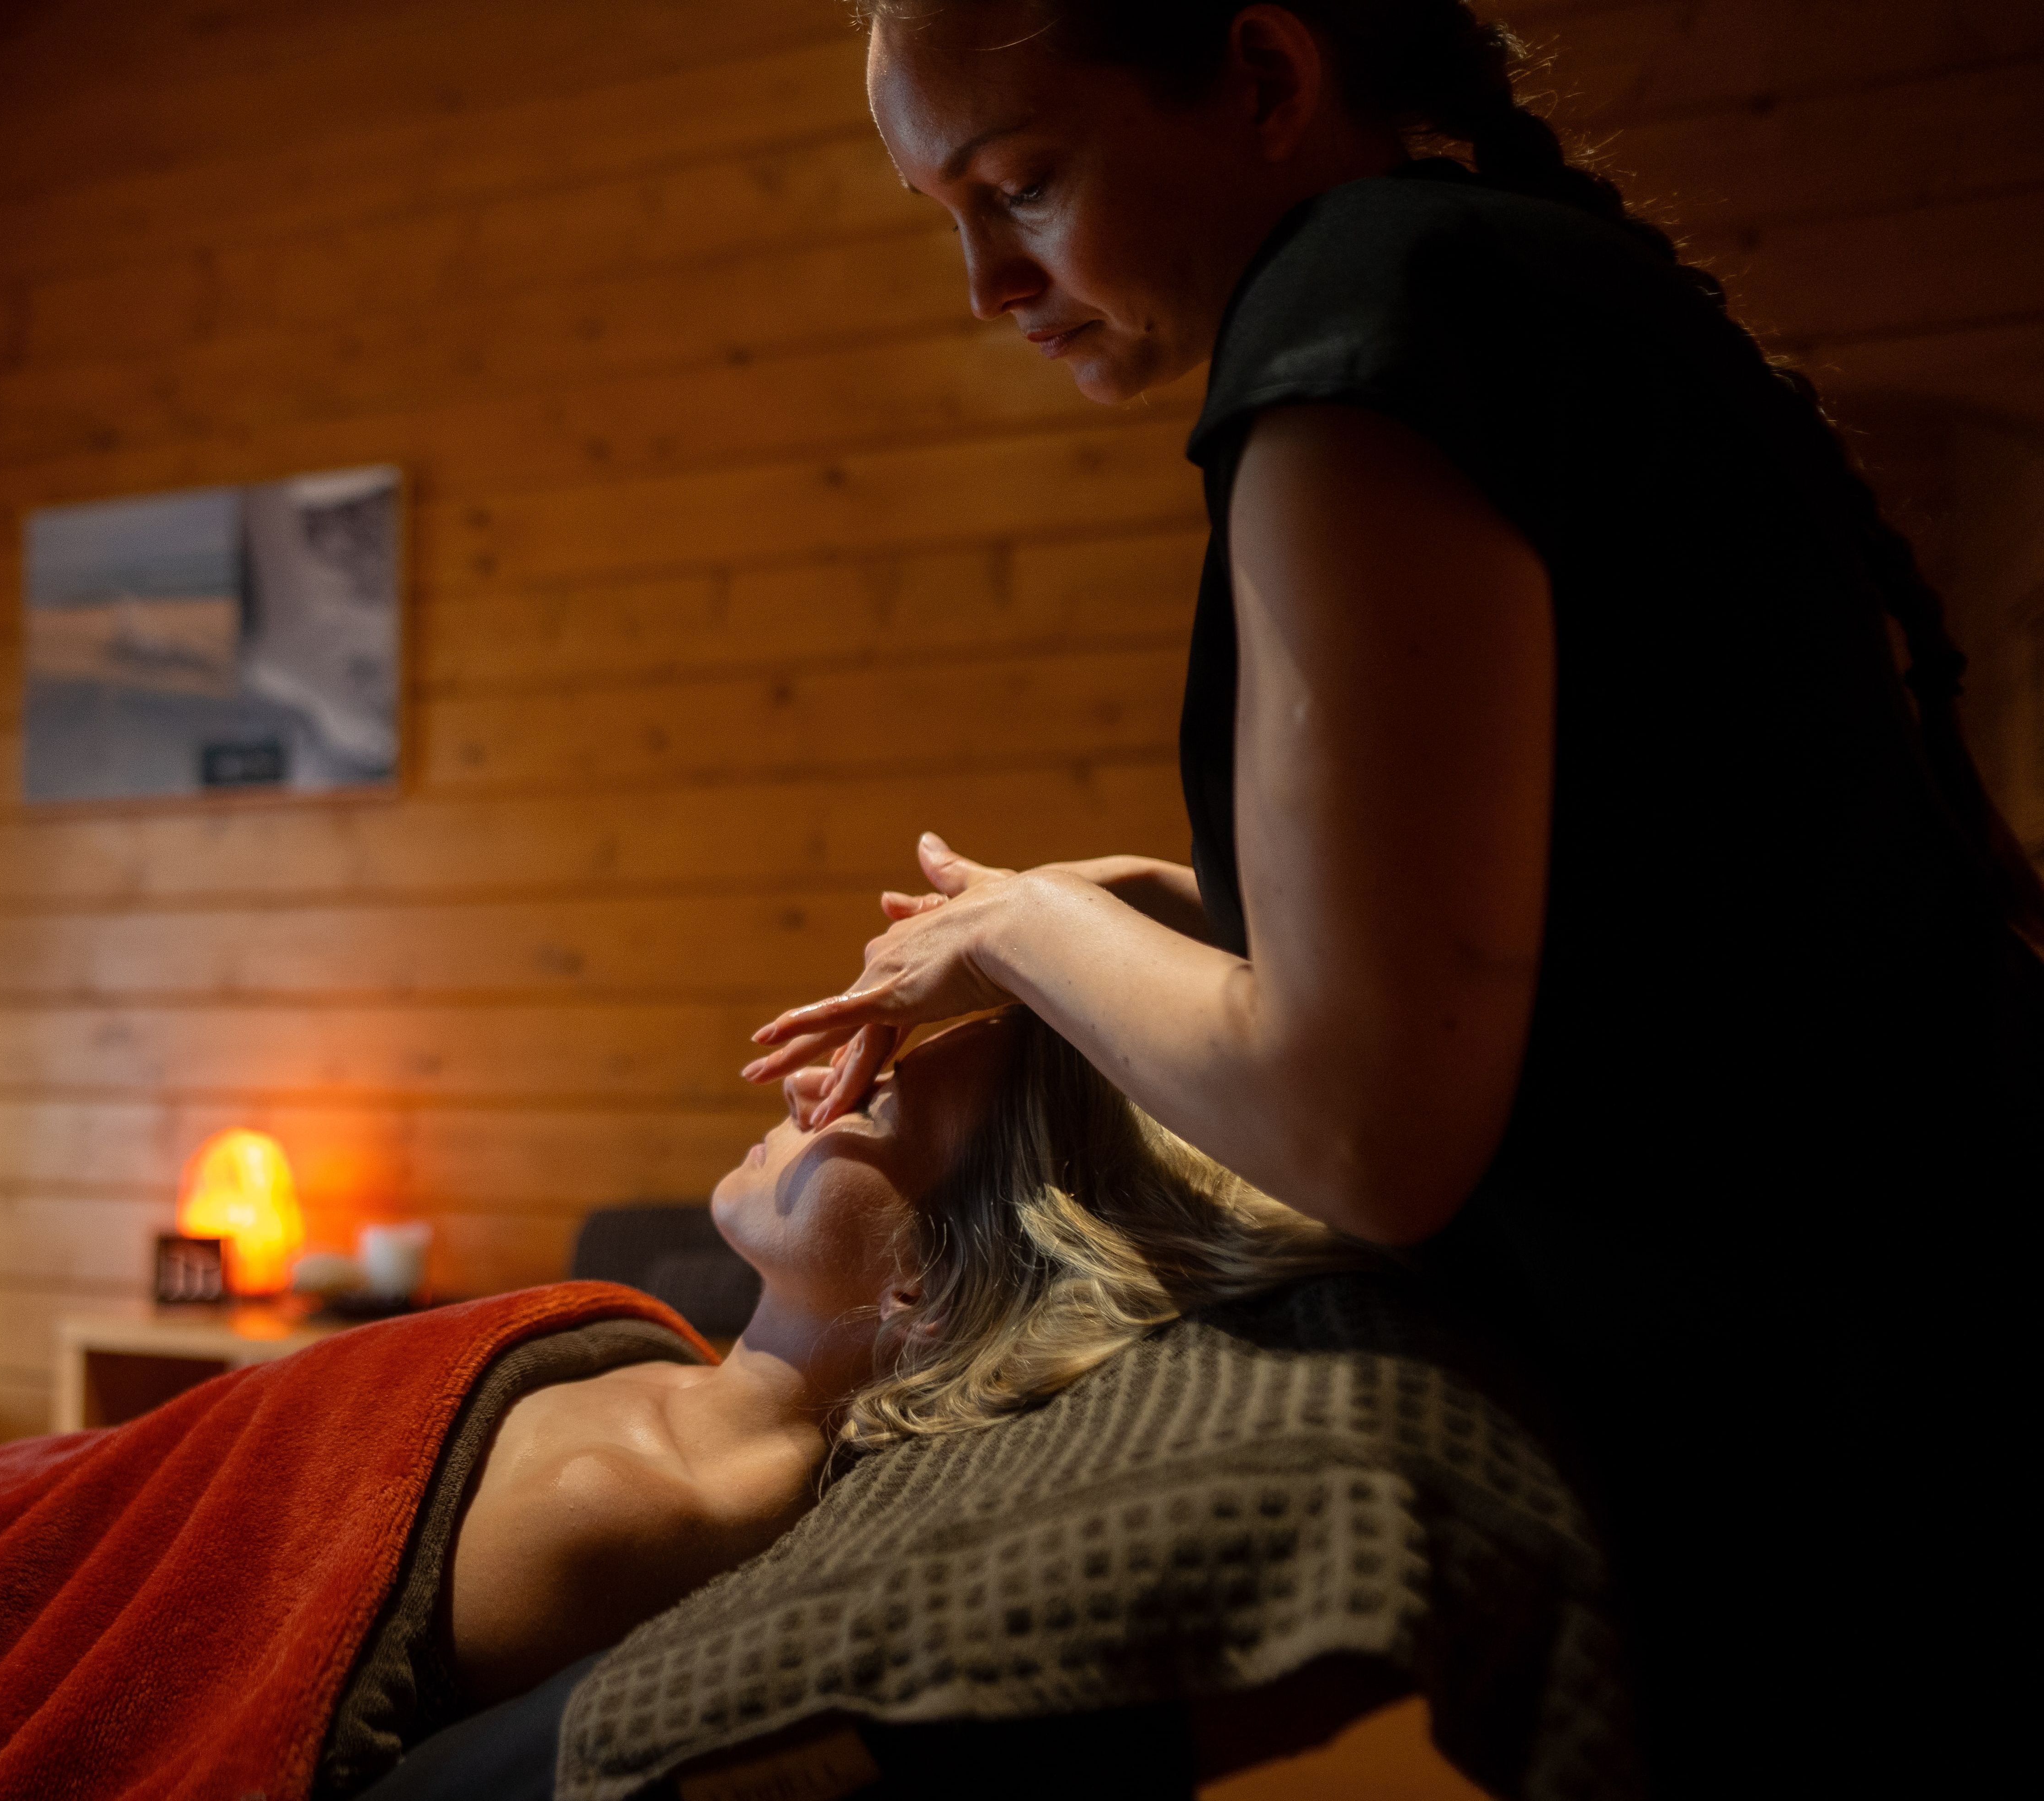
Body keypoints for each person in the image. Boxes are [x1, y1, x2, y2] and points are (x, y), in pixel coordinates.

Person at [739, 0, 2044, 1785]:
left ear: (1266, 78)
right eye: (945, 214)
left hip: (1837, 1432)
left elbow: (1369, 1127)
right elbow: (1595, 923)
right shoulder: (1495, 277)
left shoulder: (1367, 331)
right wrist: (1123, 901)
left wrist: (1017, 929)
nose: (988, 281)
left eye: (1024, 187)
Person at [448, 1008, 1356, 1702]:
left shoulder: (607, 1510)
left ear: (925, 1283)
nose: (808, 1085)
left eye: (874, 1100)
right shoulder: (653, 1389)